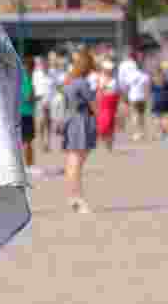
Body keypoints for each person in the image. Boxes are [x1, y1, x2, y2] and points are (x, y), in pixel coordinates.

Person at [61, 49, 97, 214]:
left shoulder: (69, 81)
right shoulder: (82, 82)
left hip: (71, 119)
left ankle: (72, 196)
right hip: (81, 120)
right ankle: (78, 198)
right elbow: (93, 103)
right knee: (77, 162)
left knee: (71, 161)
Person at [95, 60, 121, 152]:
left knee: (111, 124)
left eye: (111, 69)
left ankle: (109, 144)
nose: (110, 71)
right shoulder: (99, 78)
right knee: (104, 124)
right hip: (104, 102)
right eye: (108, 69)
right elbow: (98, 91)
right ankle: (104, 139)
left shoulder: (115, 79)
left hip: (113, 102)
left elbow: (118, 91)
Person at [32, 56, 53, 154]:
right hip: (39, 101)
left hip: (50, 101)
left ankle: (47, 143)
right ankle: (41, 143)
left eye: (47, 65)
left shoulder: (52, 74)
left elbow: (55, 88)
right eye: (44, 64)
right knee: (40, 123)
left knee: (48, 123)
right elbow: (34, 88)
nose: (45, 66)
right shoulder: (36, 74)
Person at [19, 56, 37, 170]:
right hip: (25, 113)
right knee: (27, 141)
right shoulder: (26, 79)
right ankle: (28, 166)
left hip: (23, 112)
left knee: (25, 141)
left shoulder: (22, 78)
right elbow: (27, 97)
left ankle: (28, 165)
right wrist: (35, 98)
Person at [149, 70, 168, 140]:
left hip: (156, 100)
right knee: (165, 118)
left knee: (157, 118)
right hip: (165, 100)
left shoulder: (153, 82)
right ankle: (166, 133)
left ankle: (159, 133)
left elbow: (151, 92)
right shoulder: (166, 82)